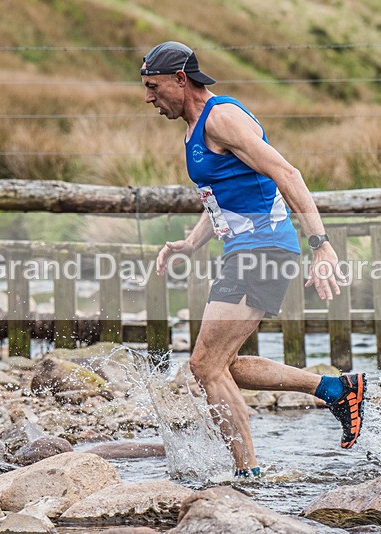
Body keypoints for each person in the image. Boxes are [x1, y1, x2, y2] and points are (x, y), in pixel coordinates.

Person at [142, 41, 367, 477]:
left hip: (263, 251)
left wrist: (321, 244)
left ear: (180, 79)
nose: (148, 98)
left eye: (154, 87)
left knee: (205, 365)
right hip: (246, 251)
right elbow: (223, 197)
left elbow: (287, 173)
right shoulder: (195, 126)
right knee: (224, 365)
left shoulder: (221, 118)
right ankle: (336, 389)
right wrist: (190, 243)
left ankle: (247, 476)